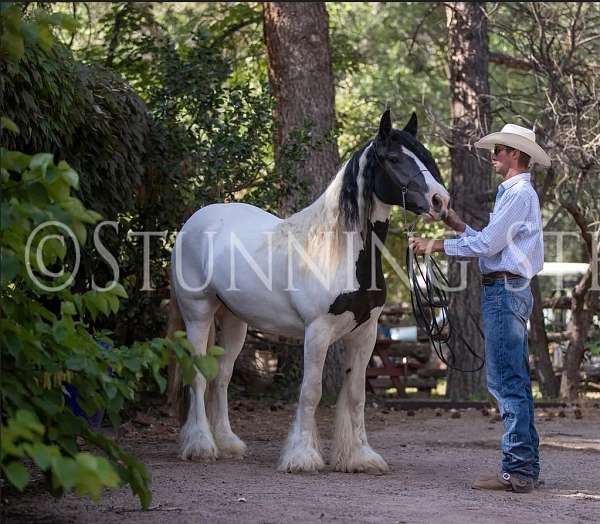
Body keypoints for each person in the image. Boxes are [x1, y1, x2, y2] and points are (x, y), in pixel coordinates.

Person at [409, 124, 551, 493]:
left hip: (504, 291)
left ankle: (518, 470)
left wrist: (435, 245)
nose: (494, 155)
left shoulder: (518, 193)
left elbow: (487, 245)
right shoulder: (516, 194)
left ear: (515, 155)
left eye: (500, 149)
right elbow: (492, 244)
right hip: (506, 289)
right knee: (511, 379)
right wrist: (452, 221)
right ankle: (524, 466)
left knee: (506, 381)